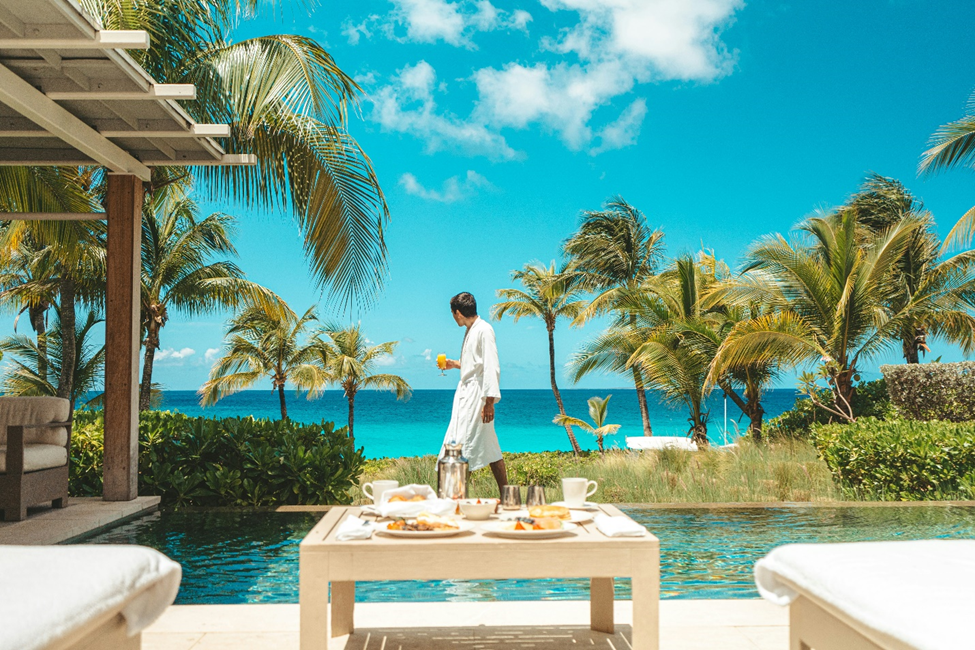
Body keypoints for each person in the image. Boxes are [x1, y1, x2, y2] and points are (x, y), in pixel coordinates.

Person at [439, 292, 508, 496]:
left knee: (460, 444)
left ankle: (455, 498)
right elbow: (475, 364)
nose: (453, 317)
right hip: (468, 394)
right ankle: (507, 495)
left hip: (477, 397)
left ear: (458, 313)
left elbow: (491, 366)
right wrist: (455, 364)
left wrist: (489, 402)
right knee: (489, 445)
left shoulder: (484, 330)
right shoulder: (471, 330)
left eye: (453, 313)